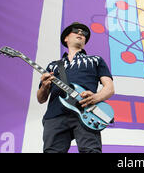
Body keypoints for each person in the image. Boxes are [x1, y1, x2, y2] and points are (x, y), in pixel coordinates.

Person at [37, 22, 114, 153]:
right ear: (66, 38)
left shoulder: (95, 60)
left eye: (84, 33)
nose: (80, 33)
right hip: (56, 114)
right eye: (76, 31)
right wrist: (44, 86)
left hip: (86, 112)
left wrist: (95, 98)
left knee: (91, 151)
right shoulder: (53, 66)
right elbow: (41, 99)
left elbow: (109, 88)